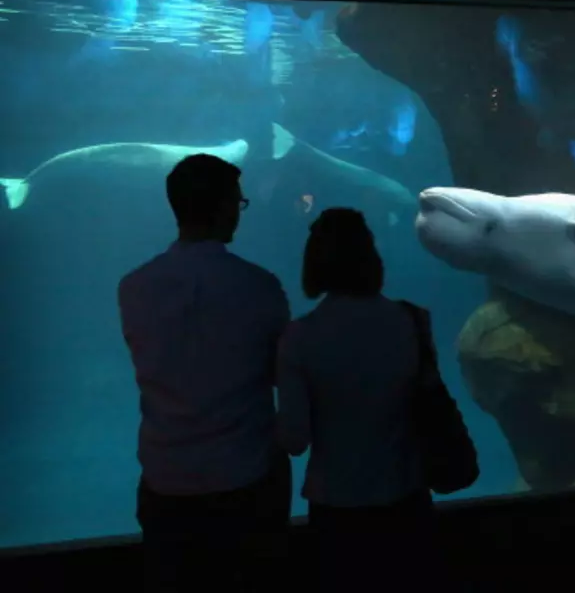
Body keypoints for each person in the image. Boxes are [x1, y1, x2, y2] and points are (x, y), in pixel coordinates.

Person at [117, 154, 292, 593]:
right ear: (224, 207)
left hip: (165, 478)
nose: (240, 210)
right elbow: (279, 373)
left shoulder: (134, 286)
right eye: (238, 202)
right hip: (245, 476)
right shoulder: (259, 285)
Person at [275, 207, 451, 588]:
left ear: (314, 262)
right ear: (372, 256)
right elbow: (429, 401)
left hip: (337, 502)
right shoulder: (413, 321)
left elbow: (294, 439)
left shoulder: (299, 338)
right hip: (406, 494)